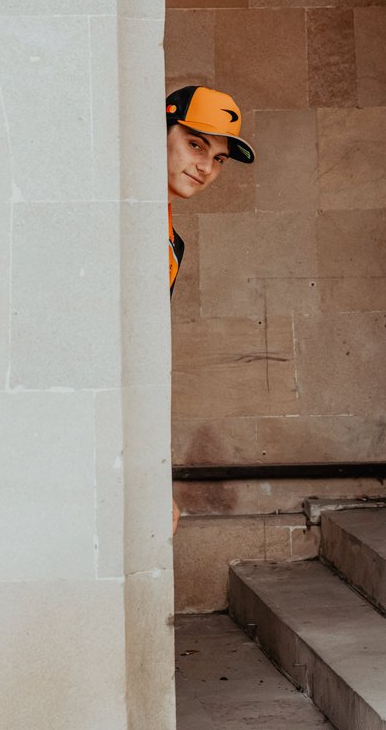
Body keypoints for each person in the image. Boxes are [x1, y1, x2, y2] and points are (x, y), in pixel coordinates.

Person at [165, 85, 255, 534]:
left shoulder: (171, 241)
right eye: (195, 144)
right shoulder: (116, 217)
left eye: (219, 158)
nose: (205, 167)